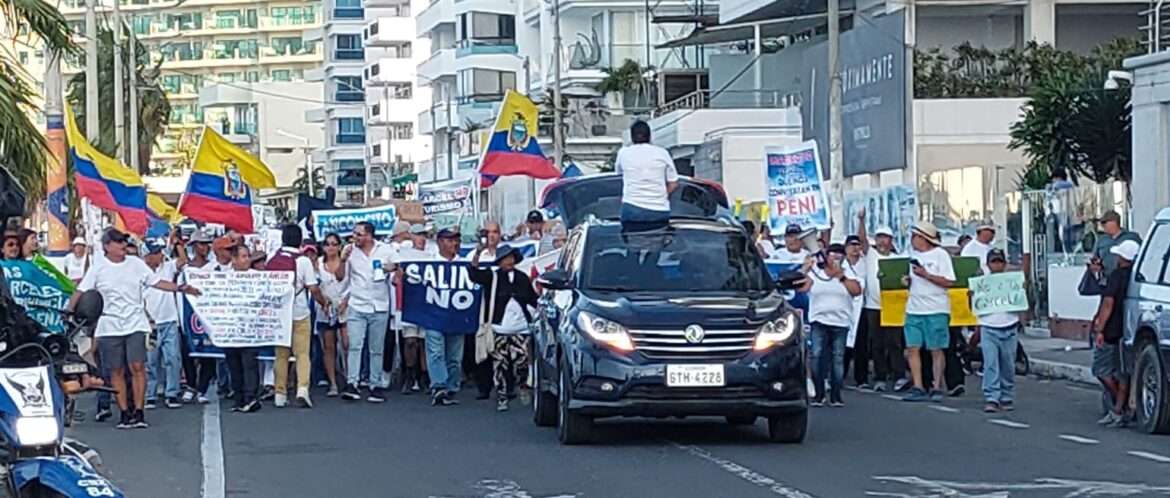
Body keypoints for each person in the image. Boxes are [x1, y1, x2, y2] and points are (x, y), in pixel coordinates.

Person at [70, 228, 200, 429]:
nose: (123, 245)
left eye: (124, 241)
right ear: (107, 247)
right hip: (110, 325)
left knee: (137, 366)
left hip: (135, 322)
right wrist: (68, 311)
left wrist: (181, 288)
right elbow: (81, 291)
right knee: (117, 370)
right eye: (118, 242)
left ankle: (139, 412)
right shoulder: (98, 268)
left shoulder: (136, 265)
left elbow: (157, 282)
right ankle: (124, 412)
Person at [469, 244, 539, 412]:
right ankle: (501, 396)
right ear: (499, 262)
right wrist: (478, 253)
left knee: (521, 362)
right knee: (500, 364)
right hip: (499, 328)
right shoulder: (492, 277)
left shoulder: (522, 278)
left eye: (511, 258)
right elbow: (473, 274)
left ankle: (522, 386)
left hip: (521, 328)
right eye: (505, 258)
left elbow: (533, 299)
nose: (509, 261)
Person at [267, 224, 327, 408]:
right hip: (300, 312)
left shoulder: (272, 258)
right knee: (302, 354)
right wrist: (323, 302)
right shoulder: (303, 261)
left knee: (281, 355)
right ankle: (302, 389)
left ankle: (280, 393)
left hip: (279, 313)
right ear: (299, 240)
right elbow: (313, 288)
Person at [337, 221, 396, 403]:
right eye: (354, 234)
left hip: (379, 305)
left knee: (376, 348)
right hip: (358, 304)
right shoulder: (350, 251)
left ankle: (375, 385)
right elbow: (340, 277)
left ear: (369, 235)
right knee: (355, 345)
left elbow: (399, 272)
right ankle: (352, 383)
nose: (355, 238)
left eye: (359, 234)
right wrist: (343, 260)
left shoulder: (386, 250)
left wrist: (392, 269)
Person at [800, 243, 862, 407]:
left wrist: (840, 276)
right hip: (819, 321)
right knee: (817, 356)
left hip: (840, 322)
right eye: (832, 255)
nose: (835, 258)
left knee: (837, 359)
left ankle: (836, 395)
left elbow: (856, 291)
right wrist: (804, 269)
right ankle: (819, 393)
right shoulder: (816, 273)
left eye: (838, 255)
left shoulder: (849, 273)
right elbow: (801, 288)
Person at [901, 222, 956, 403]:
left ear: (923, 238)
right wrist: (908, 280)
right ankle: (918, 386)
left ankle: (937, 386)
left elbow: (950, 281)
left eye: (915, 236)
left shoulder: (941, 255)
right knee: (912, 348)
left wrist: (927, 275)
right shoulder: (913, 256)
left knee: (936, 349)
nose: (912, 240)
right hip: (914, 308)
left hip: (936, 309)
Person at [1092, 239, 1138, 427]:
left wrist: (1100, 328)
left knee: (1102, 370)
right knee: (1122, 372)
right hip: (1129, 330)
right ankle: (1120, 408)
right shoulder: (1136, 277)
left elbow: (1108, 303)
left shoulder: (1117, 276)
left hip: (1112, 330)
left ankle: (1119, 407)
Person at [858, 220, 907, 392]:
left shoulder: (898, 259)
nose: (882, 241)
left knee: (894, 343)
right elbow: (862, 239)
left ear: (891, 240)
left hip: (893, 306)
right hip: (873, 306)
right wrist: (861, 220)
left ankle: (899, 375)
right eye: (879, 238)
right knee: (877, 344)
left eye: (885, 238)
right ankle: (880, 376)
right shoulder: (870, 255)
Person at [974, 249, 1021, 413]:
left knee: (1008, 364)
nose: (997, 265)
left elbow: (1022, 301)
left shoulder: (1012, 282)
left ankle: (1006, 395)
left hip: (1010, 326)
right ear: (988, 264)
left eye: (999, 261)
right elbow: (974, 306)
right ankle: (992, 397)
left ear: (1004, 264)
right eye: (994, 261)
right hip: (989, 327)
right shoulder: (982, 282)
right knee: (991, 364)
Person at [427, 227, 466, 406]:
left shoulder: (464, 264)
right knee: (435, 352)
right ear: (439, 242)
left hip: (457, 316)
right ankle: (438, 386)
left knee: (455, 356)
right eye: (449, 240)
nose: (454, 243)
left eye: (456, 240)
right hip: (434, 315)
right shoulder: (428, 264)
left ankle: (452, 387)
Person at [142, 240, 184, 410]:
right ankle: (150, 394)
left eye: (159, 252)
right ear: (147, 256)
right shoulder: (139, 272)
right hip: (149, 324)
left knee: (172, 358)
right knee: (150, 361)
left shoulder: (167, 267)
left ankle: (172, 393)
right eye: (155, 252)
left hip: (169, 320)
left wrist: (178, 243)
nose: (159, 255)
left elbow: (183, 261)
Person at [615, 120, 679, 231]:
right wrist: (662, 194)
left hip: (632, 207)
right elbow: (673, 183)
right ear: (649, 136)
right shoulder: (662, 153)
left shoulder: (623, 153)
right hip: (659, 209)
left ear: (632, 136)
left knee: (632, 243)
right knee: (657, 242)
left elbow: (618, 174)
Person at [224, 245, 263, 413]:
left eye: (248, 256)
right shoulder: (224, 278)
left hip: (250, 328)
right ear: (233, 260)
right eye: (243, 256)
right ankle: (238, 398)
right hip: (231, 328)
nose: (247, 259)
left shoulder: (258, 277)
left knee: (250, 363)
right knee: (234, 364)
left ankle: (251, 397)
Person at [468, 221, 502, 400]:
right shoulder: (475, 255)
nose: (491, 236)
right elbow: (471, 275)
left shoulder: (507, 254)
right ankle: (484, 386)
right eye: (488, 232)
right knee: (483, 347)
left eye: (495, 232)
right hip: (482, 308)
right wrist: (479, 252)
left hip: (502, 308)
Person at [317, 233, 349, 397]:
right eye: (328, 244)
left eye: (334, 244)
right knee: (328, 347)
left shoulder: (347, 263)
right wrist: (324, 301)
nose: (331, 247)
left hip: (345, 306)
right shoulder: (318, 264)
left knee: (347, 343)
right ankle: (333, 383)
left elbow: (353, 283)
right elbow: (315, 286)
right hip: (325, 308)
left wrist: (347, 300)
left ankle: (350, 378)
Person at [842, 235, 869, 388]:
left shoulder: (865, 264)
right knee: (843, 343)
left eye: (857, 245)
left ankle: (862, 378)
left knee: (861, 344)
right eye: (851, 245)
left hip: (861, 309)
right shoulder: (840, 265)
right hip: (844, 307)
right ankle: (840, 374)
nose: (855, 248)